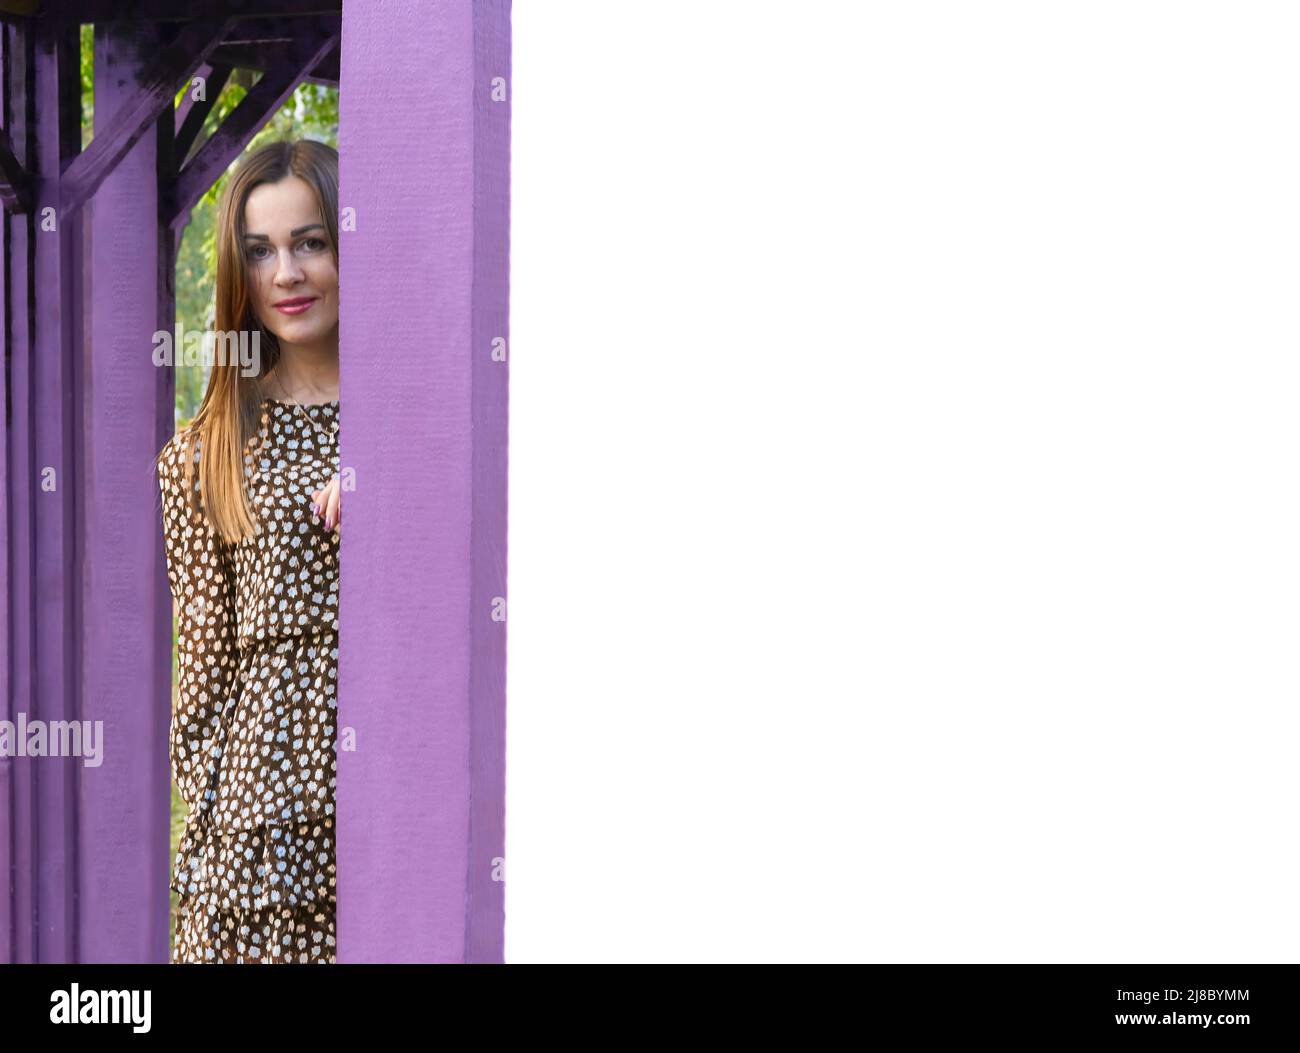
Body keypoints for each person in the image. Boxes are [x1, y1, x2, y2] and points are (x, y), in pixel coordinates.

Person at [155, 138, 342, 963]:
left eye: (311, 241)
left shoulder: (426, 411)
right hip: (262, 845)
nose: (286, 274)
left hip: (412, 784)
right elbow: (199, 692)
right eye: (259, 251)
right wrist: (206, 873)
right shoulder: (206, 453)